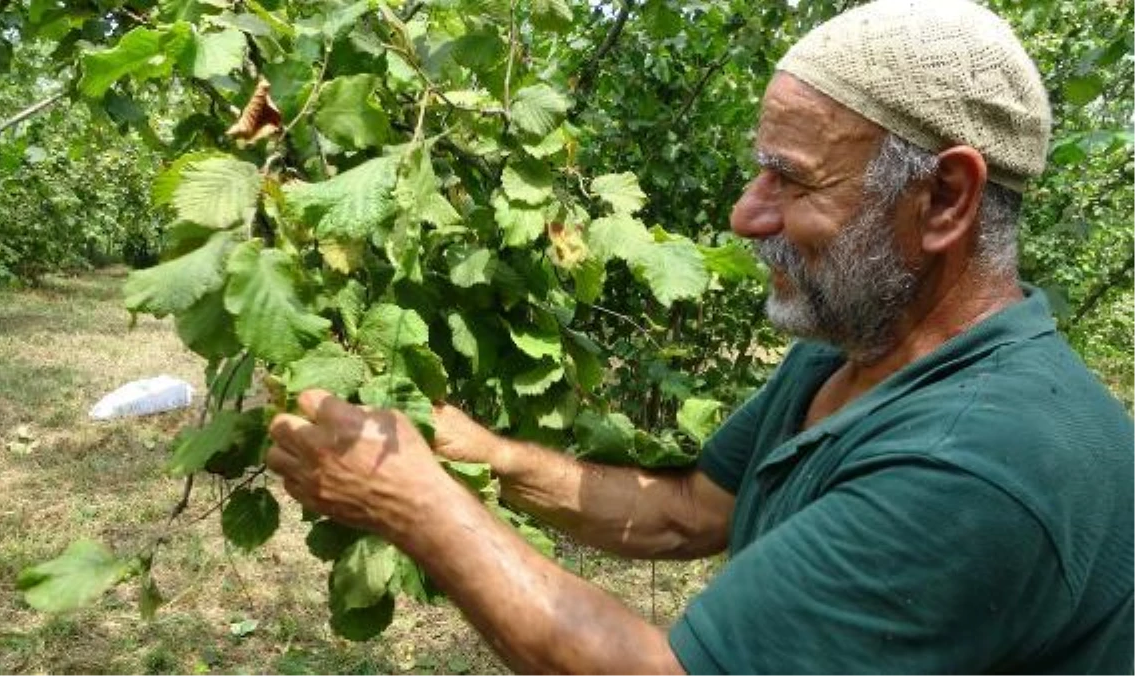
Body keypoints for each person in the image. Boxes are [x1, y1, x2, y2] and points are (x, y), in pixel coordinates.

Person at [266, 0, 1135, 672]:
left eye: (790, 180)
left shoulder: (979, 464)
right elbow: (686, 514)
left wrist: (413, 503)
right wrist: (482, 455)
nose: (746, 214)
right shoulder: (855, 355)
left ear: (944, 199)